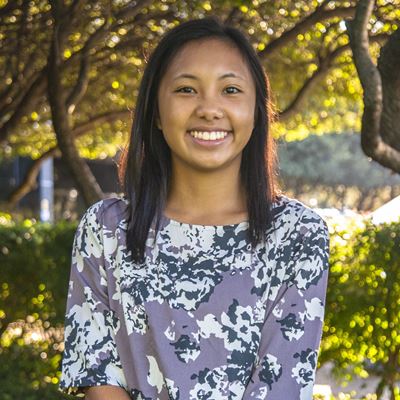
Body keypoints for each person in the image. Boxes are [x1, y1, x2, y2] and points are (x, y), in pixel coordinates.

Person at [59, 16, 330, 400]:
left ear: (256, 111)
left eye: (230, 89)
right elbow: (101, 381)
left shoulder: (298, 234)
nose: (209, 109)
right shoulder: (106, 229)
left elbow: (282, 384)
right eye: (186, 89)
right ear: (155, 111)